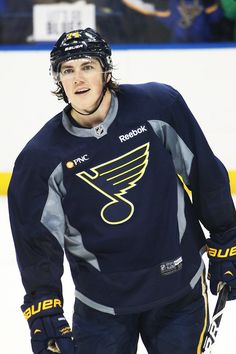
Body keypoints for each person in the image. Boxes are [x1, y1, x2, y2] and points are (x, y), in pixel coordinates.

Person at [8, 27, 236, 354]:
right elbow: (36, 241)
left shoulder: (159, 107)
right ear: (59, 80)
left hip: (178, 291)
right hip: (101, 307)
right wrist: (44, 303)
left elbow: (204, 173)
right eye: (67, 70)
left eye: (87, 66)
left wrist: (227, 234)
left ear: (105, 70)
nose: (77, 78)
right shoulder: (40, 160)